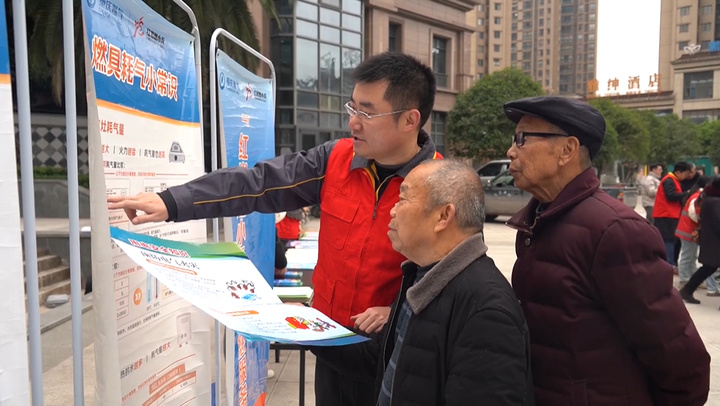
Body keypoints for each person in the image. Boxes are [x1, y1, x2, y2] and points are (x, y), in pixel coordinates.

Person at [107, 51, 441, 406]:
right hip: (331, 343)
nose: (353, 123)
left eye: (367, 113)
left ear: (410, 120)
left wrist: (398, 310)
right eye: (352, 108)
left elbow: (453, 278)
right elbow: (258, 183)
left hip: (395, 354)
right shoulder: (335, 160)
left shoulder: (440, 187)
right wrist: (173, 202)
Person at [502, 95, 710, 406]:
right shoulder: (538, 221)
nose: (511, 151)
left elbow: (677, 356)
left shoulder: (615, 230)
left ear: (567, 150)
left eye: (522, 139)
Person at [313, 160, 533, 405]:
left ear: (443, 216)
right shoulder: (422, 275)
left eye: (403, 199)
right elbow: (380, 356)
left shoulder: (486, 311)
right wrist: (304, 328)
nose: (392, 211)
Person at [678, 176, 720, 304]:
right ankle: (687, 290)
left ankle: (687, 291)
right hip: (715, 241)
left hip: (711, 240)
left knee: (709, 267)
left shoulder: (708, 198)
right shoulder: (714, 201)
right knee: (709, 267)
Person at [653, 161, 694, 267]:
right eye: (685, 174)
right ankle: (669, 264)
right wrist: (686, 194)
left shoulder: (674, 180)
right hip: (665, 215)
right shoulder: (669, 180)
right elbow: (670, 196)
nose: (686, 177)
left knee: (672, 240)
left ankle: (671, 263)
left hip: (671, 214)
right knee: (669, 240)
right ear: (678, 172)